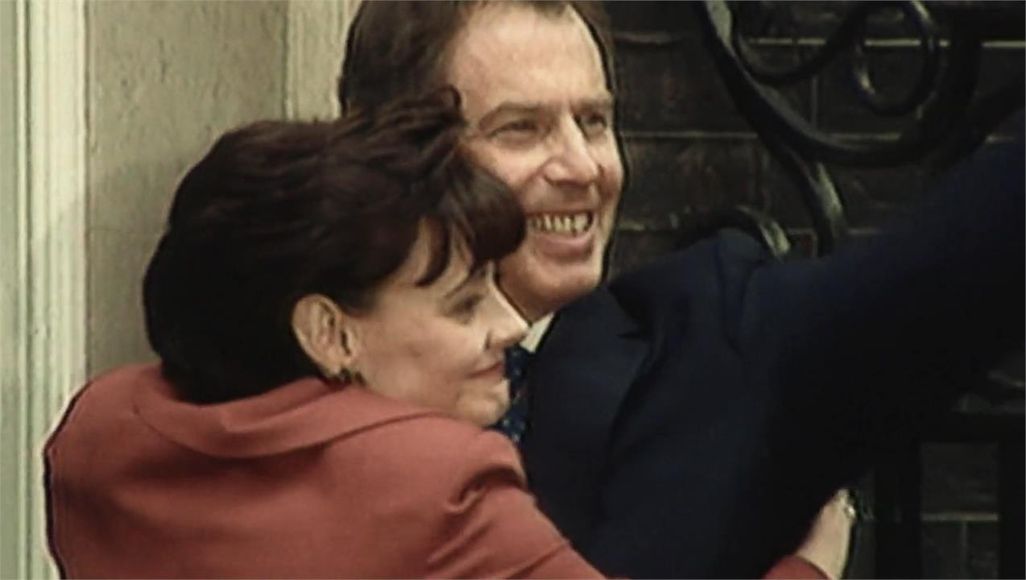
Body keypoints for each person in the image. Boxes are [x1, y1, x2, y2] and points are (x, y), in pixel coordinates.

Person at [337, 1, 1025, 577]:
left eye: (595, 122)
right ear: (397, 153)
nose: (583, 166)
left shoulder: (711, 337)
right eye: (522, 129)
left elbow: (943, 273)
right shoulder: (304, 364)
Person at [45, 93, 835, 578]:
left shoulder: (99, 438)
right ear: (330, 333)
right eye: (463, 305)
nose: (509, 324)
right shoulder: (439, 484)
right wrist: (809, 564)